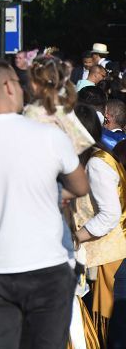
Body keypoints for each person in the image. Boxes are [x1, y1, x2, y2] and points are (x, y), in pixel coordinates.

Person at [0, 57, 89, 349]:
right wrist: (50, 193)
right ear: (9, 87)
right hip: (46, 266)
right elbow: (80, 185)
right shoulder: (49, 135)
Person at [69, 103, 126, 344]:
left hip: (110, 256)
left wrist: (78, 236)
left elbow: (110, 213)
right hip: (105, 255)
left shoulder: (96, 164)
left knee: (110, 331)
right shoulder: (94, 159)